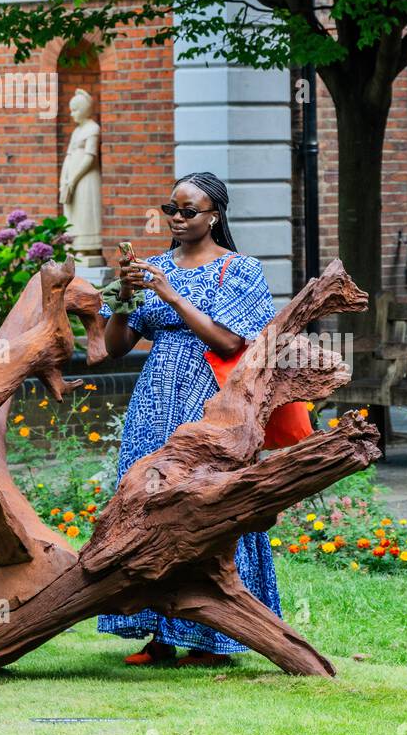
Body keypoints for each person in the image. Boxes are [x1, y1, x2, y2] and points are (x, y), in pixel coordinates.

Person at [97, 171, 283, 667]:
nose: (177, 218)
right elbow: (115, 347)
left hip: (211, 400)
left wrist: (171, 295)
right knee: (148, 503)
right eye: (171, 209)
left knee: (209, 505)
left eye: (188, 210)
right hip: (153, 401)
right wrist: (123, 295)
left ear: (214, 215)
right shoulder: (154, 266)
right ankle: (157, 634)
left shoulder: (240, 270)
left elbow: (229, 342)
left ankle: (214, 637)